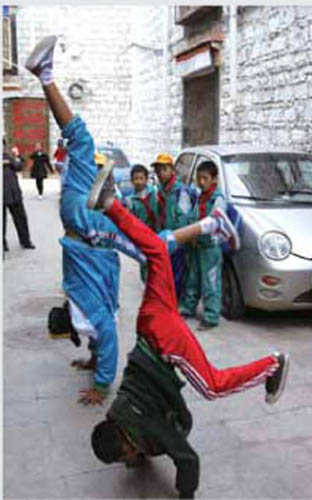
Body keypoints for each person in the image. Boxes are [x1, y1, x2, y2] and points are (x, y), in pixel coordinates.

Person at [88, 183, 289, 498]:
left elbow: (188, 459)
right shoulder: (116, 412)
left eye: (127, 455)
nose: (130, 459)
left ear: (128, 443)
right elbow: (133, 429)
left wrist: (186, 495)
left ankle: (272, 364)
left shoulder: (148, 431)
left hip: (164, 340)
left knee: (212, 386)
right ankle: (110, 204)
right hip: (150, 318)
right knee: (156, 251)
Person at [25, 35, 146, 405]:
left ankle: (45, 75)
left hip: (84, 239)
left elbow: (140, 247)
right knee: (80, 138)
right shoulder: (95, 199)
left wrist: (156, 255)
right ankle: (45, 76)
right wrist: (103, 384)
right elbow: (143, 248)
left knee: (101, 317)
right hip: (82, 226)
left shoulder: (114, 213)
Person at [179, 161, 229, 330]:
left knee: (210, 282)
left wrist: (196, 231)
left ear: (214, 179)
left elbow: (214, 222)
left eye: (205, 178)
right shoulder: (201, 196)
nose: (201, 182)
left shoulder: (218, 199)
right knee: (192, 278)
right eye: (198, 179)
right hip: (197, 245)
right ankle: (188, 308)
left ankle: (211, 316)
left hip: (210, 247)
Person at [152, 152, 194, 297]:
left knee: (177, 273)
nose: (160, 174)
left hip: (177, 239)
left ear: (172, 170)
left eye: (164, 169)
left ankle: (174, 301)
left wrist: (178, 237)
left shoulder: (180, 192)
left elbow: (184, 217)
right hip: (165, 237)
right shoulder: (162, 191)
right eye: (158, 171)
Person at [124, 164, 158, 282]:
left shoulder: (154, 194)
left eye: (141, 178)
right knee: (144, 264)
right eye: (136, 179)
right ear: (132, 181)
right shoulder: (130, 201)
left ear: (146, 179)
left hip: (156, 233)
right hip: (141, 237)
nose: (138, 181)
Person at [3, 140, 36, 252]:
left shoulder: (7, 156)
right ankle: (3, 244)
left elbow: (19, 166)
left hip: (14, 193)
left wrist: (17, 156)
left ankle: (25, 241)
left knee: (21, 218)